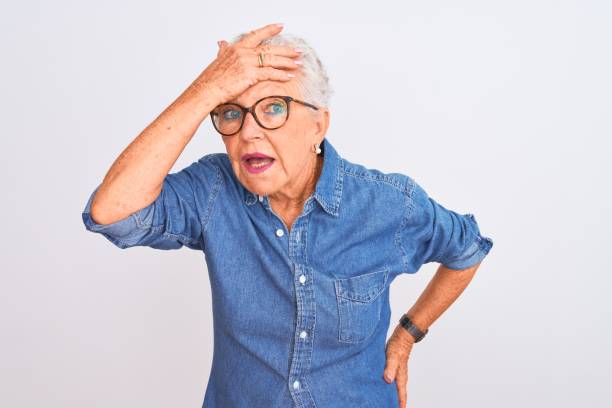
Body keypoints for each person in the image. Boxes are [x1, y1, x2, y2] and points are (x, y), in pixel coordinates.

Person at [81, 23, 494, 408]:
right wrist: (207, 89)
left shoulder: (387, 203)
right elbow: (112, 210)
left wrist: (408, 333)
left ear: (319, 125)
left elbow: (467, 250)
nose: (247, 132)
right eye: (230, 111)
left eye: (273, 108)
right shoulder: (212, 190)